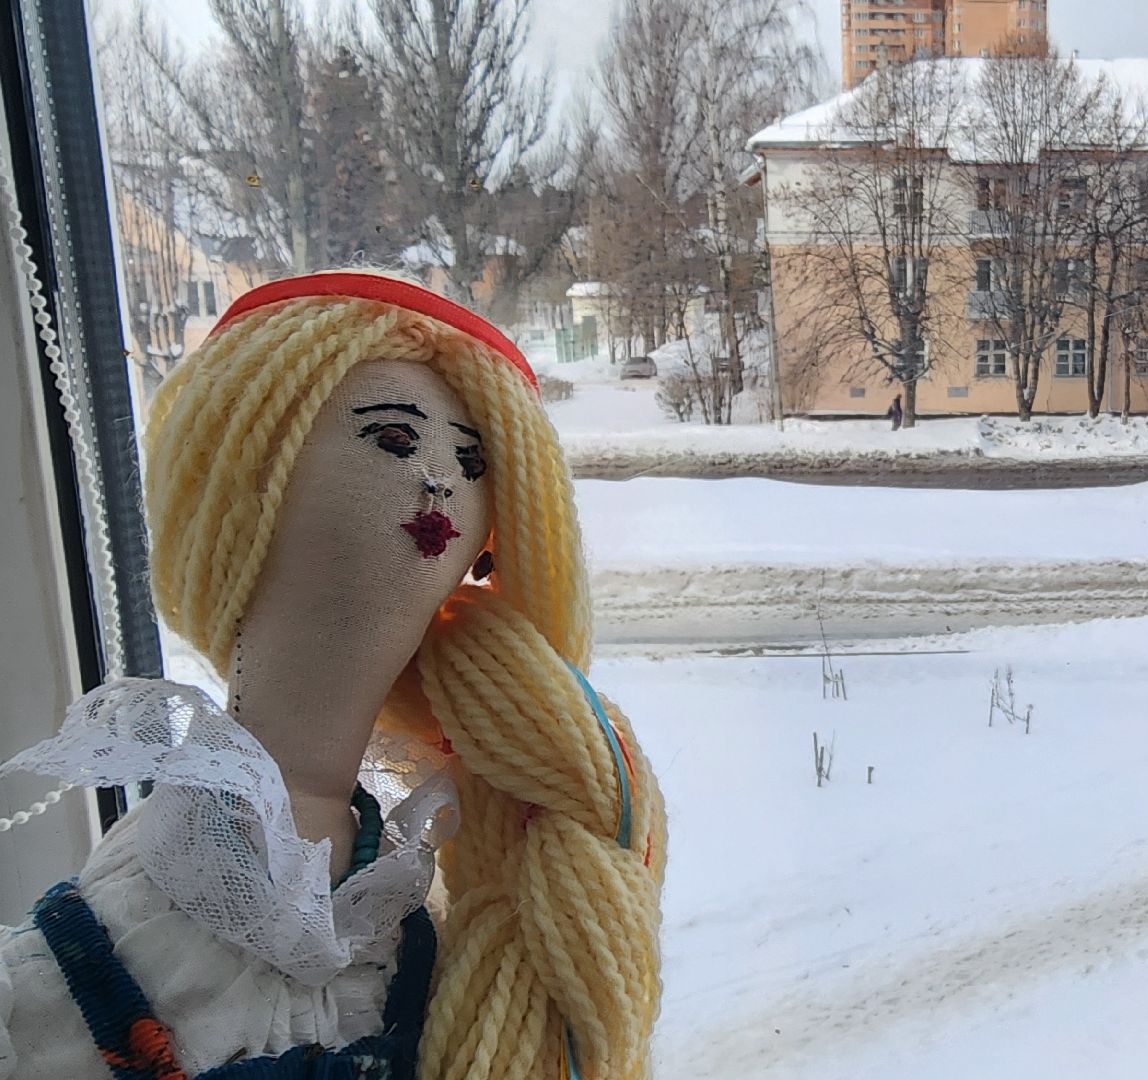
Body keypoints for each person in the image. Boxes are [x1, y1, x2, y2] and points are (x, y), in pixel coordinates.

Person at [0, 273, 666, 1080]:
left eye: (470, 458)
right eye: (391, 439)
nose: (440, 482)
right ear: (239, 476)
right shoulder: (100, 950)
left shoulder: (415, 912)